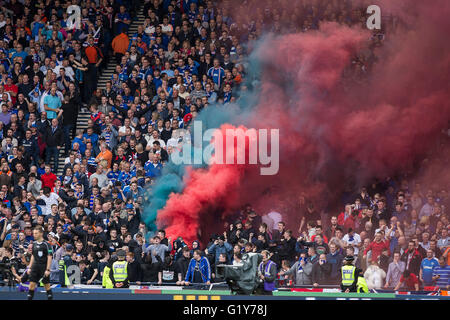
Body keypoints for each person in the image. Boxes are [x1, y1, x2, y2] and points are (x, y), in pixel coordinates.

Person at [25, 226, 53, 300]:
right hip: (35, 267)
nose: (34, 235)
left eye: (36, 233)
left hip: (43, 267)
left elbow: (49, 257)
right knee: (31, 285)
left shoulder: (47, 244)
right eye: (33, 233)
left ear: (41, 234)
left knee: (46, 286)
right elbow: (33, 256)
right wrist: (29, 267)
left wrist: (48, 269)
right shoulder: (33, 244)